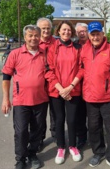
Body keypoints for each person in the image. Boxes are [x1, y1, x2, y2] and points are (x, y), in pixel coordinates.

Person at [1, 25, 49, 169]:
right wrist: (5, 99)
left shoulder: (45, 54)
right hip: (21, 100)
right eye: (30, 35)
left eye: (36, 35)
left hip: (41, 99)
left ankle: (32, 154)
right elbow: (6, 77)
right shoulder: (15, 54)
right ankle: (20, 159)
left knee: (37, 130)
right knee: (21, 131)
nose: (33, 38)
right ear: (25, 37)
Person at [80, 21, 110, 169]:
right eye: (93, 34)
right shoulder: (84, 50)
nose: (95, 37)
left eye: (98, 33)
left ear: (103, 34)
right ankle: (98, 152)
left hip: (107, 98)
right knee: (93, 127)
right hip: (90, 97)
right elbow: (81, 70)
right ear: (89, 36)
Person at [45, 20, 83, 165]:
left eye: (69, 30)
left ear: (72, 32)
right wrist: (61, 89)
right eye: (64, 30)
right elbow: (48, 71)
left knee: (72, 120)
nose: (66, 32)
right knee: (59, 120)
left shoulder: (78, 48)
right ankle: (61, 147)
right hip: (56, 92)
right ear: (58, 31)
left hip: (73, 90)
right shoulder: (52, 48)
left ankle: (73, 146)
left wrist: (71, 87)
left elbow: (82, 69)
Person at [36, 17, 56, 151]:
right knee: (40, 115)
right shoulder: (34, 43)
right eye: (43, 28)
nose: (46, 30)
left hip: (54, 84)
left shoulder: (57, 43)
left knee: (55, 113)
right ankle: (39, 139)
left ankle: (56, 136)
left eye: (48, 28)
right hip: (40, 86)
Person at [74, 22, 88, 149]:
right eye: (79, 32)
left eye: (84, 31)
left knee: (94, 116)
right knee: (80, 115)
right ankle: (82, 137)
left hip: (92, 86)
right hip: (78, 86)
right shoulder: (74, 46)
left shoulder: (93, 44)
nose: (82, 33)